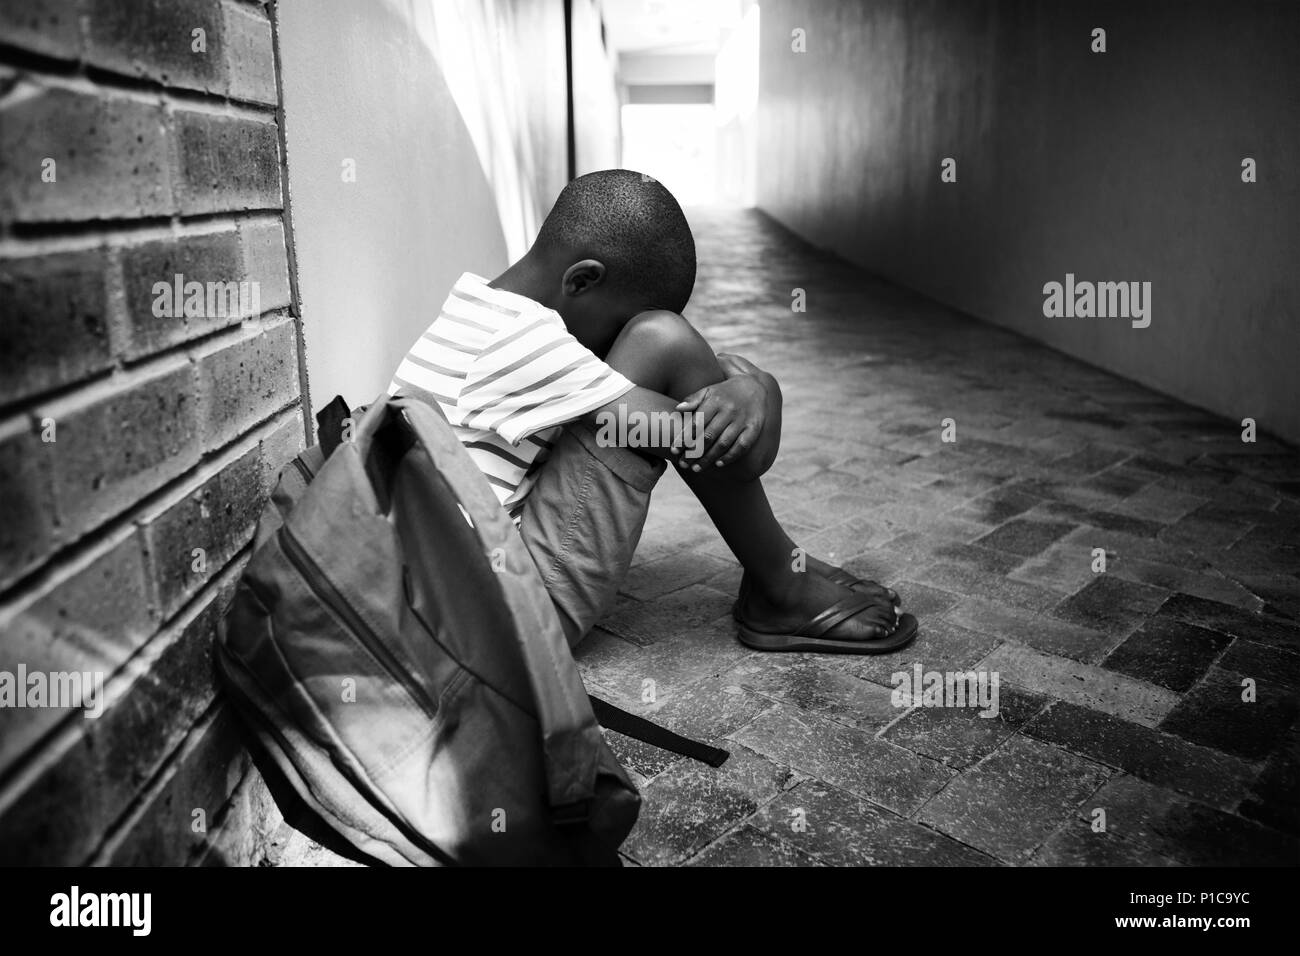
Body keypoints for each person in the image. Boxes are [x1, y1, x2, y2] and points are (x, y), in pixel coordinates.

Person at [389, 169, 916, 655]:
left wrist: (733, 388)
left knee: (663, 362)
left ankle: (779, 572)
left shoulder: (482, 309)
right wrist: (761, 389)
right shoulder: (526, 343)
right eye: (614, 325)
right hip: (506, 619)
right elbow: (734, 451)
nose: (613, 345)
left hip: (450, 593)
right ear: (582, 280)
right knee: (662, 341)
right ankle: (781, 586)